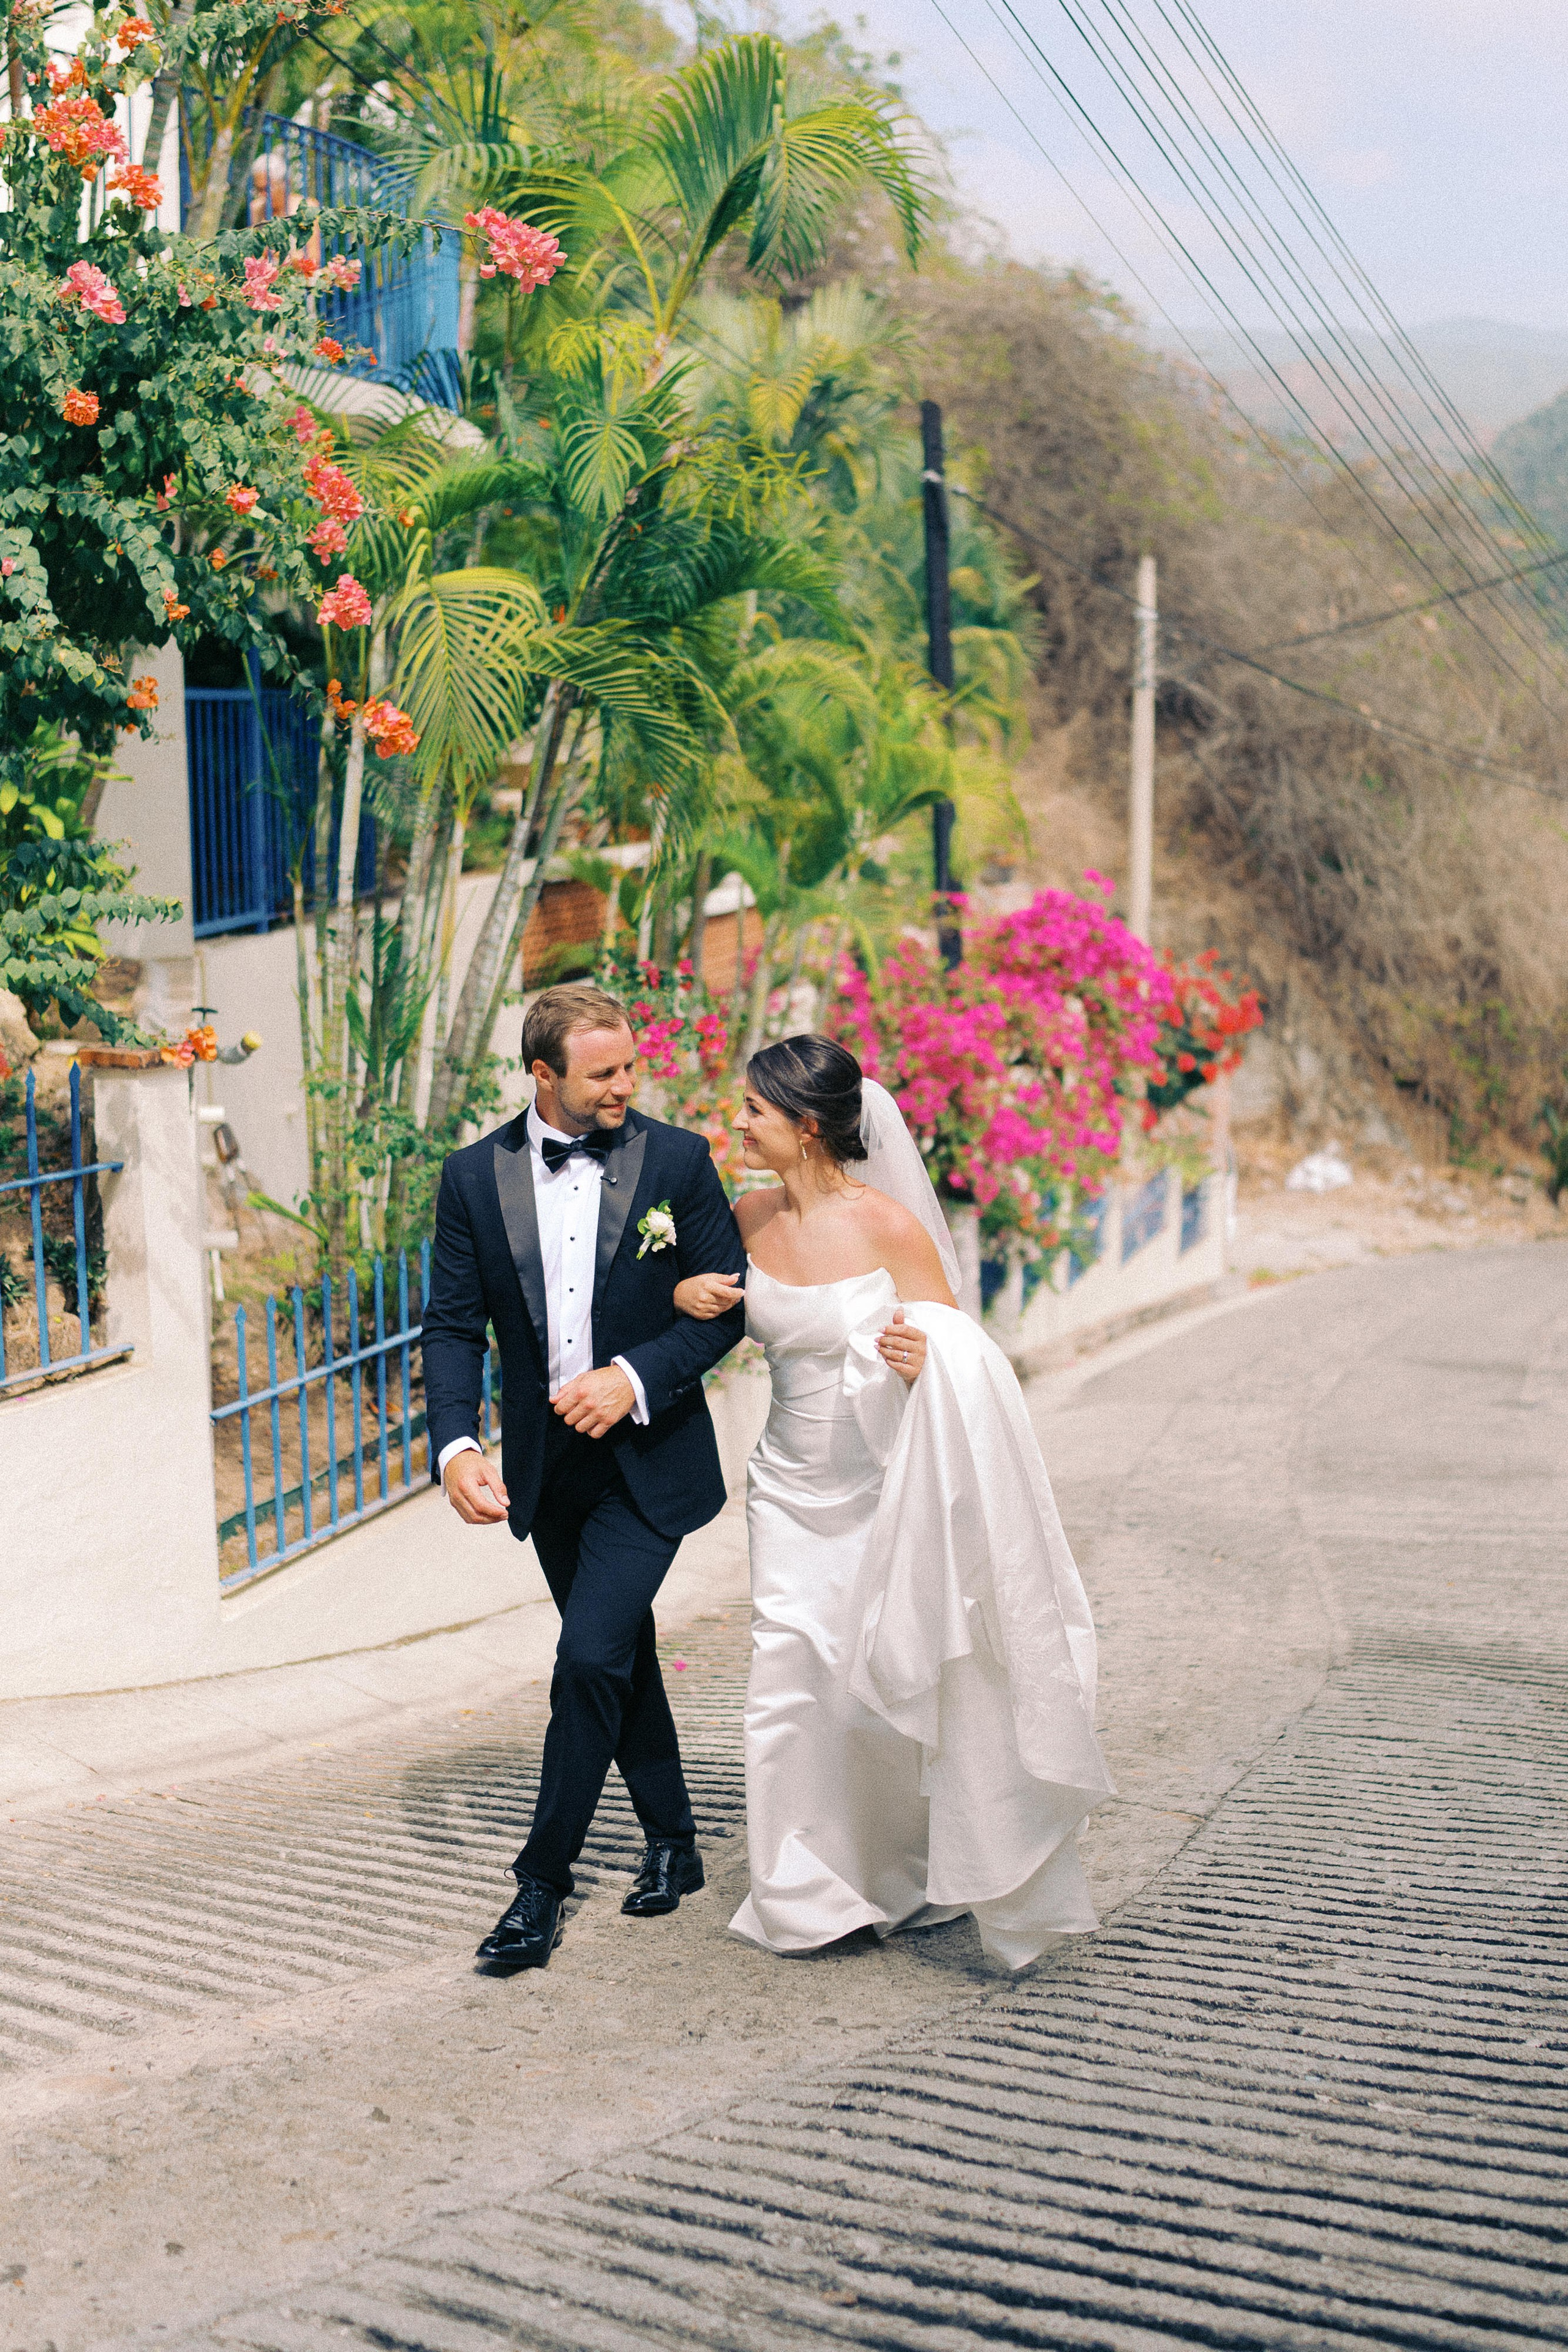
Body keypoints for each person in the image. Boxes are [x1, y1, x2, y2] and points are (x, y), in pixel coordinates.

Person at [673, 1035, 1114, 1969]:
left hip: (879, 1483)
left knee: (869, 1680)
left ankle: (894, 1871)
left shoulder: (889, 1228)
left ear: (805, 1125)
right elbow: (693, 1308)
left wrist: (928, 1362)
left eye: (754, 1109)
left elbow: (966, 1352)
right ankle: (800, 1889)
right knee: (788, 1676)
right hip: (785, 1488)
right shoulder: (747, 1216)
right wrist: (683, 1289)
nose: (738, 1122)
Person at [421, 984, 746, 1970]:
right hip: (550, 1474)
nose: (626, 1087)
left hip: (651, 1459)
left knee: (588, 1658)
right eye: (604, 1073)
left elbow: (726, 1307)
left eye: (630, 1067)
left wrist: (633, 1376)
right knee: (618, 1655)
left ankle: (541, 1886)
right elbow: (451, 1325)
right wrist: (457, 1446)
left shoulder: (679, 1160)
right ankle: (674, 1842)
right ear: (543, 1074)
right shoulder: (472, 1177)